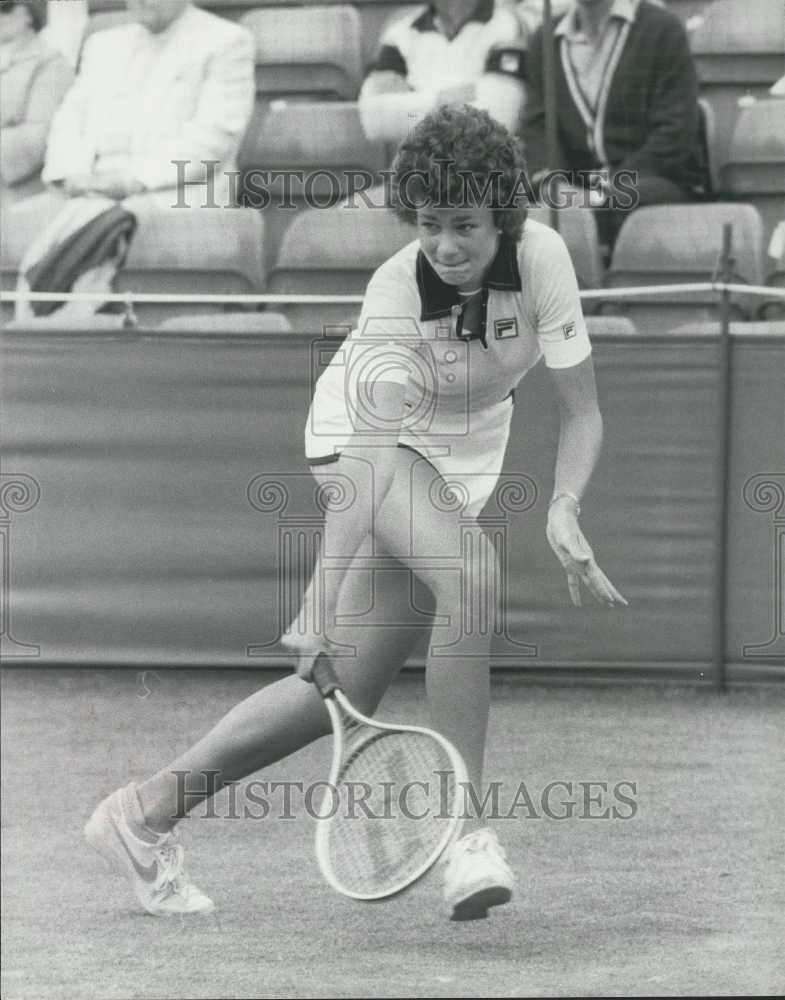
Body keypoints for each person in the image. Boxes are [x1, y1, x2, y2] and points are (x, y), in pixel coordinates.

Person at [84, 104, 627, 922]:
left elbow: (582, 413)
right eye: (432, 224)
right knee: (470, 572)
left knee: (348, 688)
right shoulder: (392, 295)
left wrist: (563, 507)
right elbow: (369, 465)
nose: (447, 245)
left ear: (502, 216)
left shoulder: (544, 258)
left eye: (466, 225)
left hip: (464, 449)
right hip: (362, 442)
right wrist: (318, 606)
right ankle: (468, 835)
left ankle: (144, 812)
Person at [523, 0, 706, 248]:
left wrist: (601, 191)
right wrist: (555, 186)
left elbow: (674, 135)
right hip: (575, 188)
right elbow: (537, 130)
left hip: (652, 183)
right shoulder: (544, 39)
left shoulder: (662, 29)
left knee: (625, 201)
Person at [40, 0, 254, 207]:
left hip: (174, 193)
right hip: (90, 191)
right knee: (21, 223)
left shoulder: (225, 41)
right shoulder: (102, 44)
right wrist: (69, 175)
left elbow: (214, 138)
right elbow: (68, 121)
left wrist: (131, 180)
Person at [358, 0, 527, 143]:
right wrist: (440, 99)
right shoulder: (400, 32)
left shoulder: (508, 25)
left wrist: (406, 106)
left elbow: (496, 122)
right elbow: (373, 121)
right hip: (415, 173)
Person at [0, 0, 73, 204]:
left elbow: (38, 138)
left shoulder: (51, 64)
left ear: (29, 15)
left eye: (4, 8)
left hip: (23, 193)